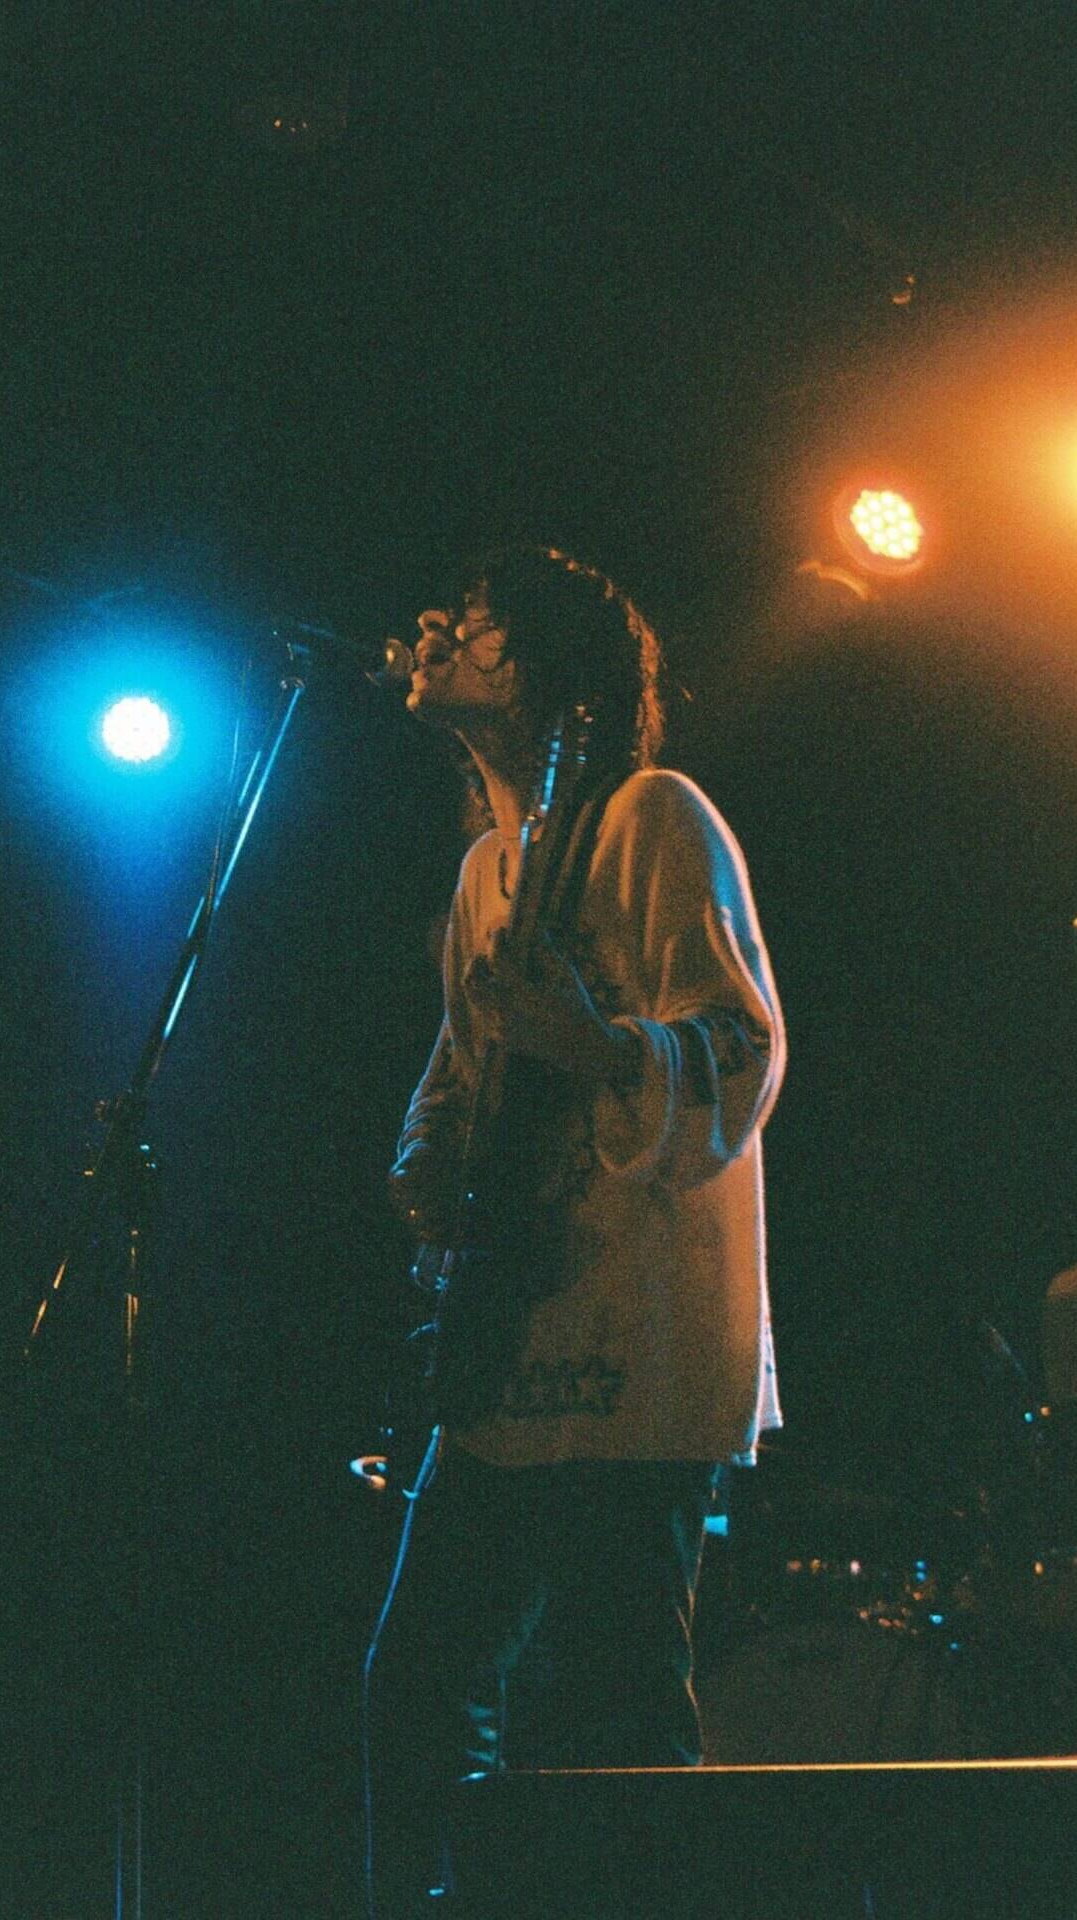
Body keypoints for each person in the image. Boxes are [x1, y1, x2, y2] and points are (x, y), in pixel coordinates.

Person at [363, 544, 786, 1914]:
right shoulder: (490, 868)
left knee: (615, 1706)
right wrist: (425, 1159)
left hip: (633, 1325)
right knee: (417, 1688)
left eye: (478, 617)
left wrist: (598, 1046)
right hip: (507, 1327)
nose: (435, 625)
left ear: (552, 660)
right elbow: (462, 1063)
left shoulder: (653, 815)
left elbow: (743, 1043)